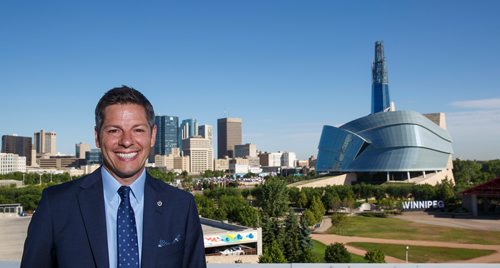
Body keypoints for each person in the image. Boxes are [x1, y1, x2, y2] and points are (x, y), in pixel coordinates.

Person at [21, 86, 206, 268]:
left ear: (153, 136)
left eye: (138, 130)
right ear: (97, 136)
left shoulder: (181, 206)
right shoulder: (56, 205)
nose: (126, 141)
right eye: (113, 131)